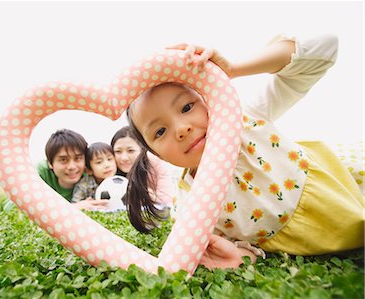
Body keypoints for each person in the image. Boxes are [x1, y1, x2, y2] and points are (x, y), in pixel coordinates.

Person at [124, 34, 364, 268]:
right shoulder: (190, 203)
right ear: (155, 153)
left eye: (187, 107)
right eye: (159, 132)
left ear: (208, 97)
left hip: (348, 187)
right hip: (316, 244)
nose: (181, 129)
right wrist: (239, 257)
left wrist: (231, 70)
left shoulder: (246, 119)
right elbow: (237, 252)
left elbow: (324, 49)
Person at [3, 129, 109, 211]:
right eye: (63, 160)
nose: (72, 166)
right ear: (50, 163)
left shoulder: (91, 175)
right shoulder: (41, 173)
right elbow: (10, 208)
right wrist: (73, 208)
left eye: (77, 158)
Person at [111, 126, 175, 207]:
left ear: (142, 150)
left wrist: (139, 191)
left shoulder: (155, 163)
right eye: (118, 151)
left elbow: (167, 199)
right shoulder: (109, 166)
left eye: (130, 151)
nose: (124, 158)